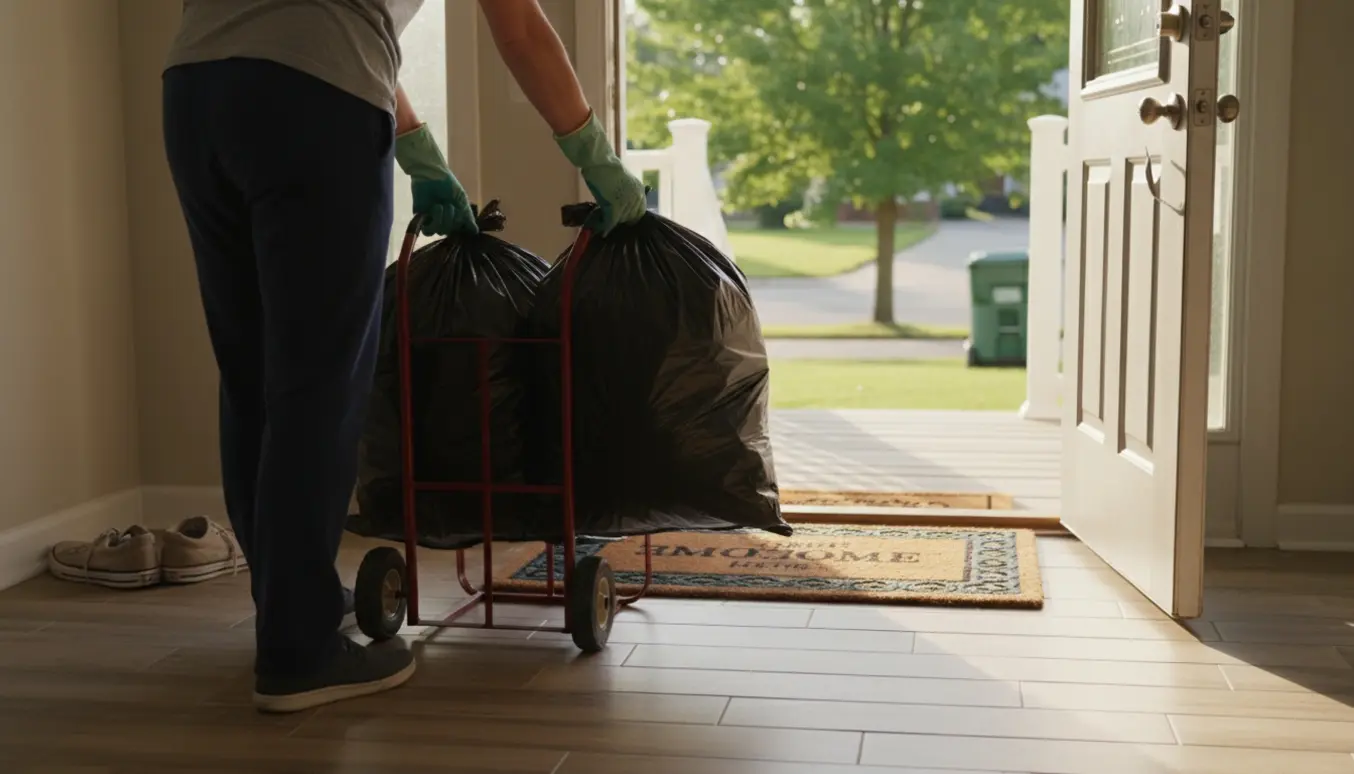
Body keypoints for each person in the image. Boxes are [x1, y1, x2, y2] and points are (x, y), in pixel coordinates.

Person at [161, 0, 646, 714]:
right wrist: (595, 157)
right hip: (312, 103)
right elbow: (518, 30)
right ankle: (299, 654)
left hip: (195, 90)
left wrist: (415, 145)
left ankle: (292, 610)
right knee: (318, 383)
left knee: (253, 375)